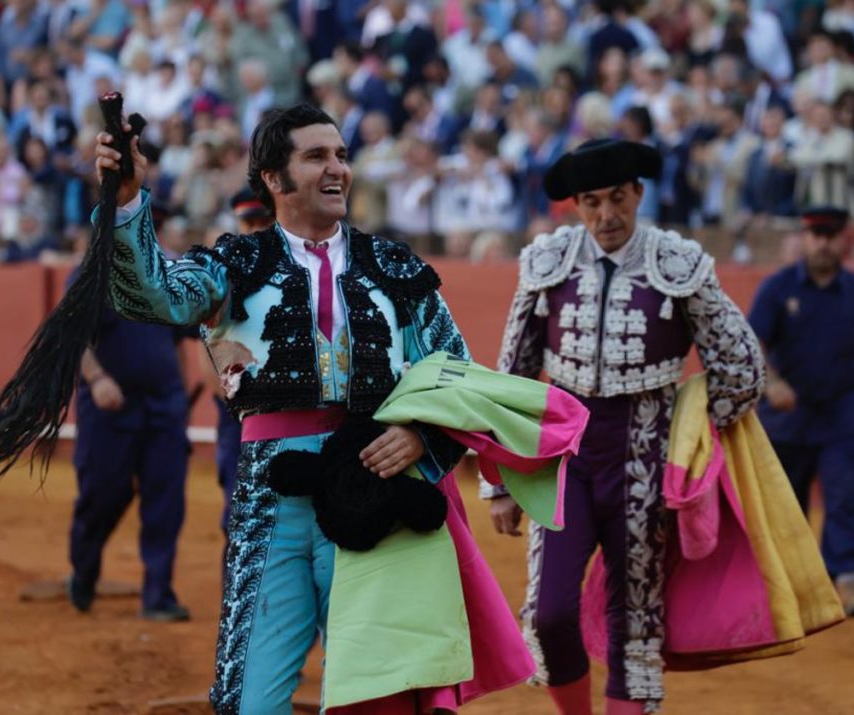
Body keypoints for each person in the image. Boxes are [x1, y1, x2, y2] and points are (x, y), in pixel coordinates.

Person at [94, 103, 530, 712]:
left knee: (379, 699)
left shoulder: (395, 268)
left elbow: (456, 371)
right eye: (317, 156)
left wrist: (422, 435)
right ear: (274, 178)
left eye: (342, 155)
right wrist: (125, 205)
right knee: (251, 699)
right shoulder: (234, 265)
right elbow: (150, 296)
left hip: (372, 485)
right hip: (269, 496)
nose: (337, 169)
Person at [485, 139, 766, 714]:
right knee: (549, 613)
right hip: (565, 460)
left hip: (645, 460)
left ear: (639, 193)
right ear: (576, 205)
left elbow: (742, 368)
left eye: (618, 198)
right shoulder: (549, 261)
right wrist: (500, 482)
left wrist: (691, 433)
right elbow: (513, 375)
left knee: (634, 623)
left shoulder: (676, 264)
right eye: (592, 202)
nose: (607, 215)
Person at [748, 206, 854, 617]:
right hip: (787, 418)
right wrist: (770, 382)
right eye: (817, 236)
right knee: (787, 507)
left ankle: (846, 579)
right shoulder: (777, 288)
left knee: (844, 496)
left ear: (843, 240)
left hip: (842, 414)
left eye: (831, 236)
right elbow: (751, 342)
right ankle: (791, 585)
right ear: (805, 238)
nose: (823, 244)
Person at [66, 242, 194, 622]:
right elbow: (73, 337)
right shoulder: (92, 271)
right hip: (109, 408)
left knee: (166, 501)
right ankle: (84, 572)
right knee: (101, 495)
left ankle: (158, 594)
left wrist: (183, 396)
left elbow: (182, 339)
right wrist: (97, 379)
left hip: (164, 406)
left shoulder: (166, 270)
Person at [211, 188, 274, 551]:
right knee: (240, 515)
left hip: (289, 413)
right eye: (249, 223)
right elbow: (206, 350)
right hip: (240, 413)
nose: (256, 230)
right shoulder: (225, 276)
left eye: (264, 221)